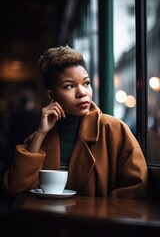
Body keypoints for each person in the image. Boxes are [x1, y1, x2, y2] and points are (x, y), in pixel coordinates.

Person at [3, 45, 149, 198]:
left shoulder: (114, 130)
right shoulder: (39, 138)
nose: (82, 92)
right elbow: (16, 187)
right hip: (49, 220)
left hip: (95, 222)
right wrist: (41, 133)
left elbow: (137, 190)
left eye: (86, 83)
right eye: (69, 86)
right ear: (51, 95)